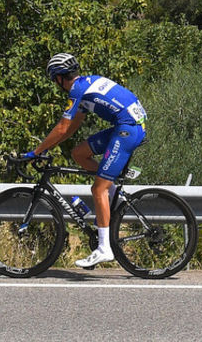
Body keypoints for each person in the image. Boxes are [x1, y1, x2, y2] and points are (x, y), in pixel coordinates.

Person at [24, 53, 147, 268]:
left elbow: (62, 127)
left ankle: (104, 248)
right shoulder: (85, 86)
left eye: (55, 80)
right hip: (128, 124)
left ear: (60, 78)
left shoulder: (77, 90)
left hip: (129, 128)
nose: (56, 84)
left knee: (97, 189)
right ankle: (111, 190)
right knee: (79, 153)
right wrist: (49, 146)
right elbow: (72, 126)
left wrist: (37, 151)